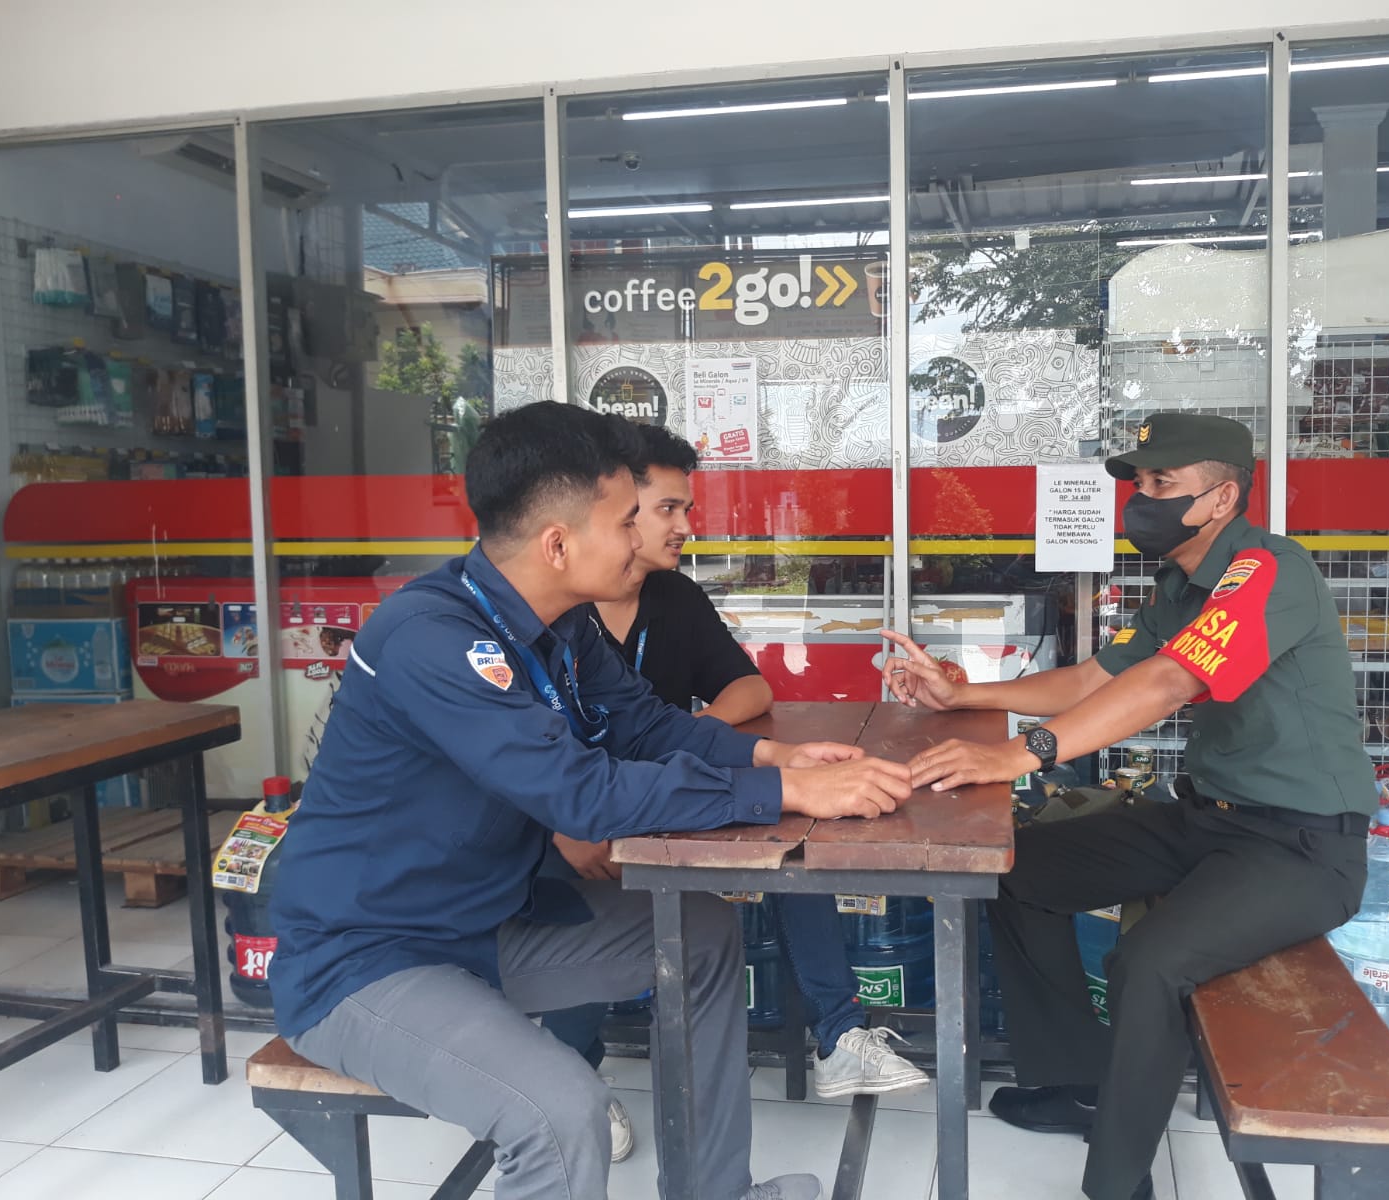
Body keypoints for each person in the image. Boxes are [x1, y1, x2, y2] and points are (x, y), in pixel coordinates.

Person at [270, 400, 913, 1200]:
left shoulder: (562, 625)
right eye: (626, 521)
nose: (642, 538)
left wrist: (771, 754)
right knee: (559, 1114)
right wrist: (784, 790)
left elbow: (644, 723)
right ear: (557, 543)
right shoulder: (431, 638)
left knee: (701, 933)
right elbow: (581, 793)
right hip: (367, 957)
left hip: (486, 923)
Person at [878, 412, 1373, 1200]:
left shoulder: (1268, 570)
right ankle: (1081, 1084)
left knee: (1150, 965)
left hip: (1303, 847)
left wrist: (1020, 753)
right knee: (1016, 873)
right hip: (1208, 819)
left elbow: (1171, 682)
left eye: (1161, 483)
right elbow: (1091, 680)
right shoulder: (1179, 587)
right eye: (1138, 483)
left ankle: (1117, 1182)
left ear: (1222, 498)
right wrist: (962, 696)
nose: (1141, 499)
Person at [539, 426, 928, 1131]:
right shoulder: (544, 619)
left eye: (683, 510)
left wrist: (750, 754)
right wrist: (572, 820)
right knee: (583, 889)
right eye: (661, 511)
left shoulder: (669, 600)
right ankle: (570, 1079)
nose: (684, 528)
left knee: (789, 834)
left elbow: (728, 696)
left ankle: (837, 1034)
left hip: (655, 795)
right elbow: (516, 762)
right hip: (574, 818)